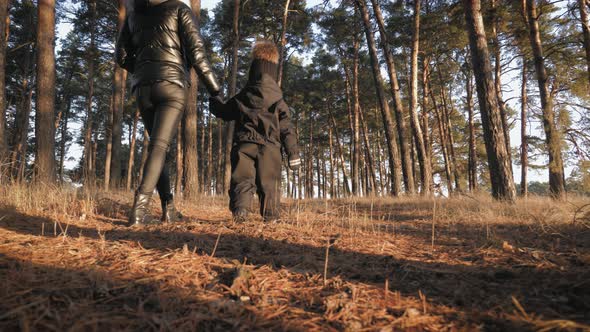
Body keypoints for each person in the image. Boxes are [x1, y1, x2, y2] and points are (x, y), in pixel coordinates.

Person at [116, 0, 220, 226]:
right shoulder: (180, 9)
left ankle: (168, 208)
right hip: (171, 86)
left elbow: (121, 56)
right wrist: (215, 90)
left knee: (157, 146)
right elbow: (197, 54)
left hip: (143, 88)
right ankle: (139, 209)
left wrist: (145, 70)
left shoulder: (134, 12)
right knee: (159, 147)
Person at [209, 41, 300, 223]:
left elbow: (224, 111)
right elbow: (286, 128)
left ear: (254, 70)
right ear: (273, 72)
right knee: (269, 183)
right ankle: (271, 217)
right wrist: (293, 153)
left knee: (242, 179)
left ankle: (240, 212)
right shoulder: (279, 101)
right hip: (271, 148)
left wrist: (214, 99)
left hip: (244, 144)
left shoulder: (244, 96)